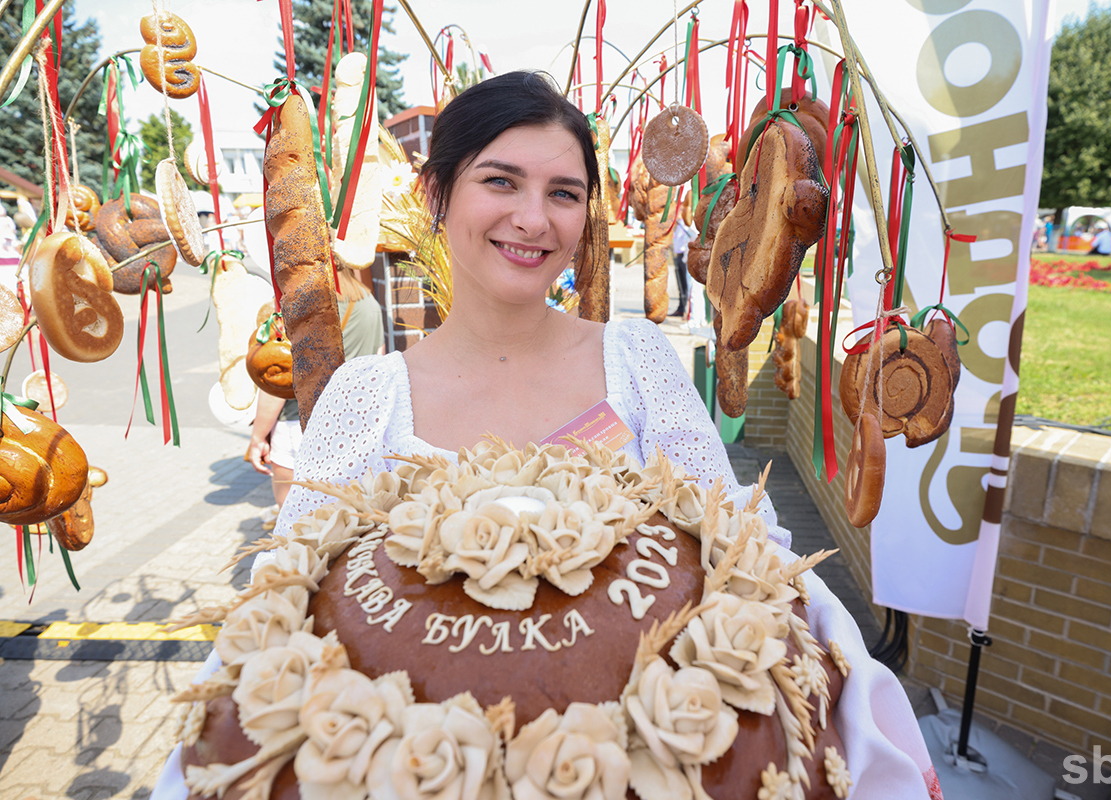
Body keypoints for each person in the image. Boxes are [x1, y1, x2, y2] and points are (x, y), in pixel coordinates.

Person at [153, 71, 935, 799]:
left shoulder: (637, 362)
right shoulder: (365, 397)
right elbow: (296, 596)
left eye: (564, 193)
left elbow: (740, 548)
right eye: (500, 181)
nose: (533, 219)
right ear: (437, 194)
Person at [246, 262, 383, 525]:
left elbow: (278, 381)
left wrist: (258, 437)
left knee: (293, 516)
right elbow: (377, 359)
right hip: (353, 425)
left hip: (298, 424)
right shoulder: (370, 305)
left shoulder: (297, 310)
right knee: (346, 515)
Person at [670, 216, 694, 317]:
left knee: (686, 285)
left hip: (685, 255)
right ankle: (681, 307)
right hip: (678, 255)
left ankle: (686, 309)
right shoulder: (678, 224)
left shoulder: (687, 224)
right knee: (680, 284)